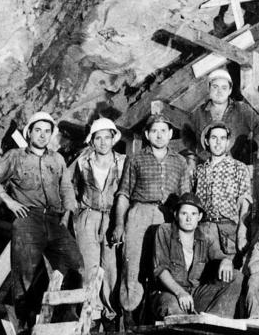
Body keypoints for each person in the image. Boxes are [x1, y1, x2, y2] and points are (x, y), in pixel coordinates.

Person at [0, 112, 82, 327]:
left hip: (55, 219)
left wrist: (66, 214)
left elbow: (66, 188)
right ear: (29, 133)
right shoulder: (15, 156)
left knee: (75, 264)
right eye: (38, 130)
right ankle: (25, 324)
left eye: (47, 131)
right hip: (28, 218)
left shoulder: (57, 158)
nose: (43, 135)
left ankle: (67, 317)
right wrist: (8, 201)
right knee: (25, 273)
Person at [111, 113, 190, 324]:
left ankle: (156, 314)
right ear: (147, 134)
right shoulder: (136, 159)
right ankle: (128, 315)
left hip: (167, 217)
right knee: (133, 264)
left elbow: (186, 197)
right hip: (140, 213)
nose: (159, 135)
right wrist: (119, 224)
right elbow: (124, 194)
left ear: (170, 134)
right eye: (154, 131)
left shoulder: (180, 162)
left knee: (162, 266)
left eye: (163, 131)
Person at [151, 192, 243, 319]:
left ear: (199, 217)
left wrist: (227, 261)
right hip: (170, 293)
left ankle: (214, 322)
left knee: (236, 276)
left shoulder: (204, 237)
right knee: (173, 309)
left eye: (193, 214)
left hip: (195, 295)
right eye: (184, 213)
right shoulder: (165, 231)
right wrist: (180, 293)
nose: (189, 218)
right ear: (176, 215)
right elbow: (161, 270)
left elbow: (219, 256)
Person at [71, 117, 125, 329]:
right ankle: (91, 314)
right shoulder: (83, 162)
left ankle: (110, 315)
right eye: (98, 138)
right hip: (89, 215)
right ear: (92, 141)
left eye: (107, 137)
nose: (103, 142)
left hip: (113, 216)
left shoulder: (123, 161)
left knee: (111, 266)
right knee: (89, 266)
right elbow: (71, 187)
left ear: (113, 139)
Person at [193, 121, 252, 264]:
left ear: (227, 142)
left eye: (222, 138)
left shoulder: (239, 167)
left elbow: (246, 203)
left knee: (226, 275)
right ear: (207, 141)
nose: (218, 143)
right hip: (203, 228)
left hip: (228, 229)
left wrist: (242, 234)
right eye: (214, 138)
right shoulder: (199, 170)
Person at [191, 69, 259, 165]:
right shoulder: (198, 113)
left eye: (224, 88)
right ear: (208, 88)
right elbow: (187, 138)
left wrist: (251, 148)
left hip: (237, 166)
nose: (219, 91)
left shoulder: (242, 109)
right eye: (215, 87)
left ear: (230, 90)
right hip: (208, 168)